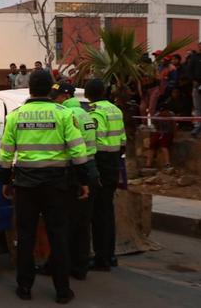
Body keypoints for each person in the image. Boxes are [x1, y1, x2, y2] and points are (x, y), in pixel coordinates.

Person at [0, 71, 90, 304]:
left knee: (26, 236)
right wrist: (83, 181)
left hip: (25, 184)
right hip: (56, 184)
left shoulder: (16, 116)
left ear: (29, 88)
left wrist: (5, 181)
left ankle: (24, 287)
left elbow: (6, 152)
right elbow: (78, 151)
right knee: (58, 235)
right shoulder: (64, 114)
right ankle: (62, 290)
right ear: (51, 88)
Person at [50, 82, 99, 280]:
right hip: (90, 168)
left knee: (65, 223)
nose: (54, 99)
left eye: (56, 96)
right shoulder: (85, 113)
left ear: (65, 96)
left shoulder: (67, 115)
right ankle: (80, 267)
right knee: (83, 223)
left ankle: (61, 266)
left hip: (74, 171)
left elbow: (71, 149)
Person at [85, 79, 126, 271]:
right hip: (114, 161)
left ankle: (101, 258)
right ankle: (110, 255)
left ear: (87, 94)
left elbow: (94, 139)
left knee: (98, 213)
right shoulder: (115, 110)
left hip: (100, 162)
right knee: (107, 211)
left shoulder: (95, 112)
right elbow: (123, 140)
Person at [145, 103, 176, 169]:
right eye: (162, 111)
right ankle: (148, 164)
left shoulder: (171, 115)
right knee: (152, 145)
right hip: (158, 132)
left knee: (164, 146)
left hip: (167, 133)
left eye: (164, 111)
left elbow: (173, 127)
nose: (163, 113)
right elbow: (154, 126)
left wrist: (174, 135)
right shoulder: (157, 115)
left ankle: (167, 163)